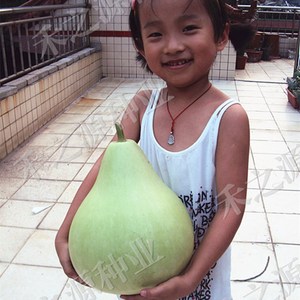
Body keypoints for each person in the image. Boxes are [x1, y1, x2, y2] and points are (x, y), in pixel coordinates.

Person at [55, 0, 250, 299]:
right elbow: (104, 166)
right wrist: (66, 230)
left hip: (200, 278)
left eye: (188, 28)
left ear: (221, 35)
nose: (172, 46)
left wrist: (189, 280)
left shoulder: (228, 118)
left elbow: (230, 206)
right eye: (156, 34)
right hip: (142, 272)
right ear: (140, 45)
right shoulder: (141, 107)